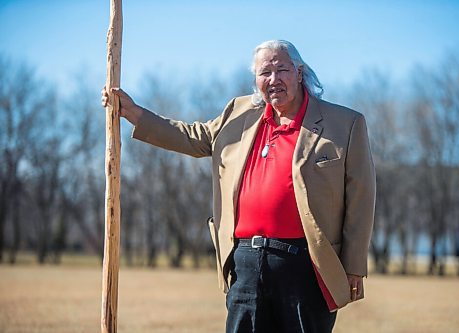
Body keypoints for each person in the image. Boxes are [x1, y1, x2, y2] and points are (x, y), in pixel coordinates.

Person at [102, 39, 375, 333]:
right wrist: (132, 113)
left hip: (307, 266)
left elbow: (361, 197)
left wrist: (353, 265)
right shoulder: (239, 112)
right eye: (264, 73)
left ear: (299, 72)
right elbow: (195, 138)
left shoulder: (344, 124)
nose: (273, 80)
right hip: (245, 261)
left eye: (281, 69)